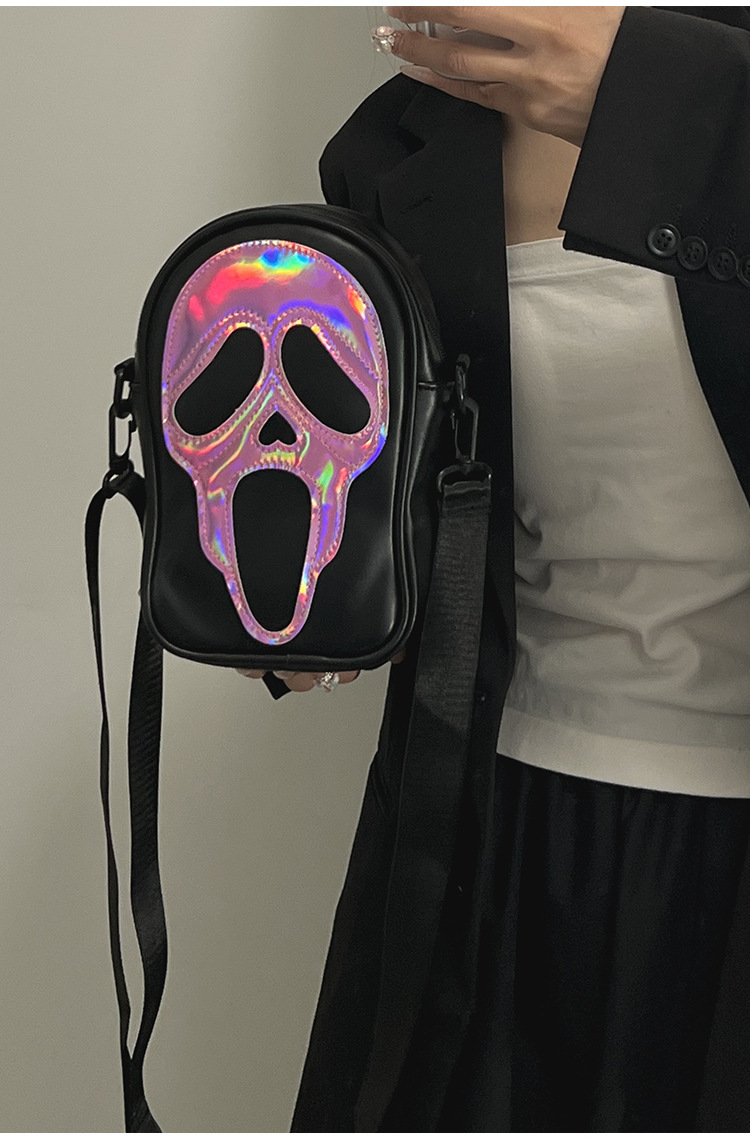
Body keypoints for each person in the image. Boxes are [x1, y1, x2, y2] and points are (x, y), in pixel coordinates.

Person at [243, 5, 750, 1131]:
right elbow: (410, 506)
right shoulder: (391, 149)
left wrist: (671, 107)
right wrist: (303, 588)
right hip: (499, 829)